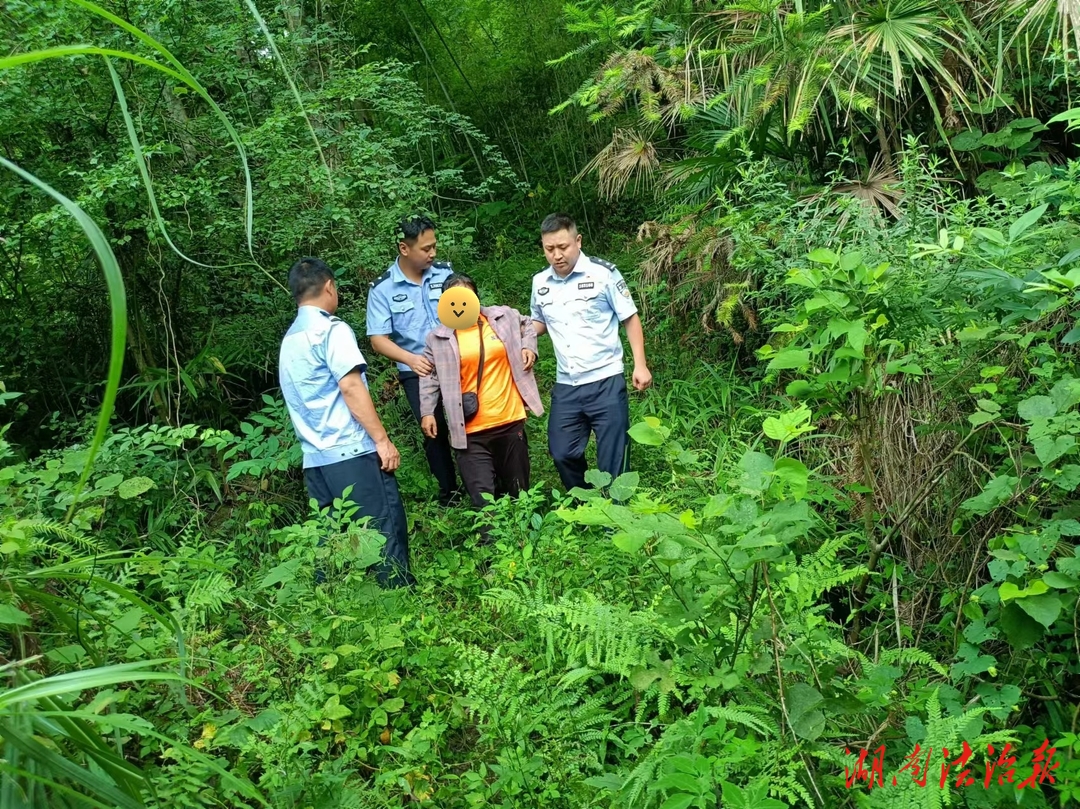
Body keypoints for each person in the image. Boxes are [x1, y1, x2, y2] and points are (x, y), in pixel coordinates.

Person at [279, 257, 414, 589]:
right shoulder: (330, 329)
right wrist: (381, 440)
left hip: (315, 459)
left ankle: (334, 605)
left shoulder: (289, 341)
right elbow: (351, 386)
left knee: (333, 539)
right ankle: (399, 602)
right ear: (329, 286)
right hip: (351, 452)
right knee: (382, 530)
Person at [530, 213, 652, 492]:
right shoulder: (540, 283)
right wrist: (513, 328)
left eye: (563, 247)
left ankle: (616, 513)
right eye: (550, 249)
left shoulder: (603, 274)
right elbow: (538, 323)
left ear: (578, 241)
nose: (557, 255)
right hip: (567, 384)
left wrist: (640, 365)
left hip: (605, 379)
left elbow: (630, 318)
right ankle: (587, 500)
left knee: (613, 455)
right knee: (562, 452)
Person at [419, 273, 543, 543]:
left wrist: (528, 348)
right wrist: (428, 411)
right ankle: (492, 555)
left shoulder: (502, 317)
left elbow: (528, 326)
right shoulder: (438, 338)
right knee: (483, 499)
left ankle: (529, 546)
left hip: (509, 420)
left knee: (519, 491)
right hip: (470, 430)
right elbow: (429, 376)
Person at [366, 215, 463, 507]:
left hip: (458, 360)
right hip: (416, 369)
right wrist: (411, 359)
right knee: (433, 430)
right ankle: (450, 493)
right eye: (425, 249)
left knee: (470, 418)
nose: (432, 254)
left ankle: (483, 482)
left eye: (434, 246)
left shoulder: (445, 274)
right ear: (404, 248)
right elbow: (378, 338)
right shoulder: (383, 289)